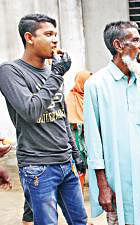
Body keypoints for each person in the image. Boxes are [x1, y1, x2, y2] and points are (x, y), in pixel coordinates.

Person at [0, 13, 87, 225]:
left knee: (80, 221)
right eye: (48, 34)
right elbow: (30, 110)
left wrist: (75, 153)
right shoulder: (10, 71)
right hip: (38, 166)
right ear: (29, 37)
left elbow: (62, 115)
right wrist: (57, 75)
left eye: (55, 34)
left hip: (65, 162)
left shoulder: (50, 72)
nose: (55, 40)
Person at [84, 21, 140, 225]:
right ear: (118, 45)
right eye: (135, 40)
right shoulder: (96, 84)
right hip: (116, 182)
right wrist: (102, 185)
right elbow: (93, 140)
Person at [66, 70, 92, 193]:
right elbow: (68, 119)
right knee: (79, 165)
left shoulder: (92, 96)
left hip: (91, 135)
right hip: (76, 136)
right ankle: (79, 192)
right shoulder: (71, 97)